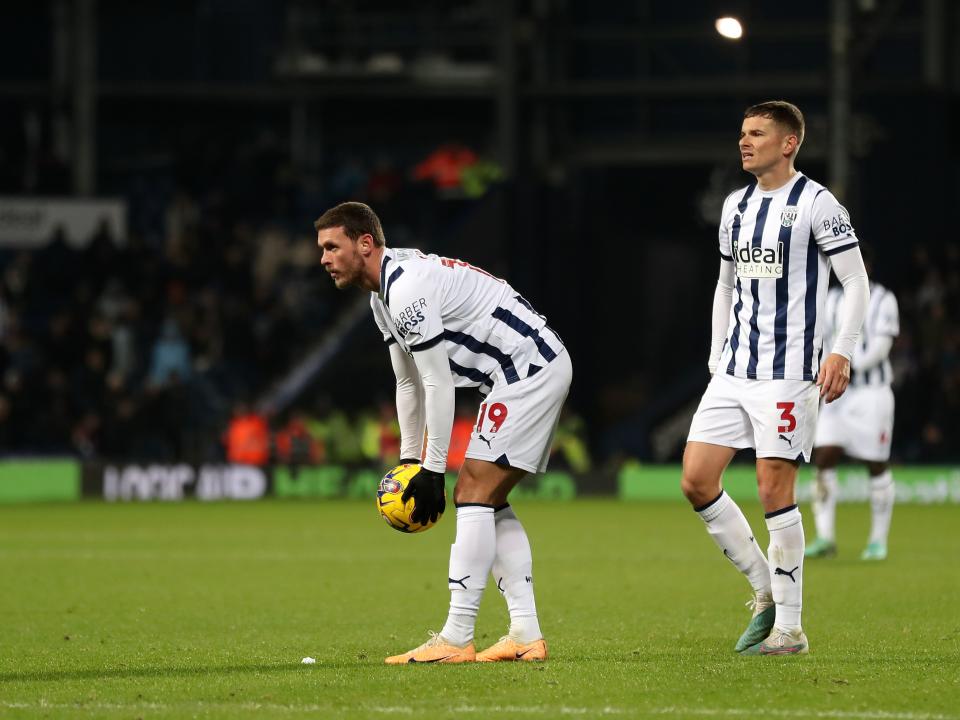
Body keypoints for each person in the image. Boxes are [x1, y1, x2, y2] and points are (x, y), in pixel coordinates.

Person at [315, 201, 571, 664]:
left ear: (365, 243)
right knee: (487, 498)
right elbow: (407, 381)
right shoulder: (382, 297)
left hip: (527, 368)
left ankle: (456, 638)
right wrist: (411, 460)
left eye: (333, 246)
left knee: (471, 488)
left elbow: (437, 380)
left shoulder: (406, 289)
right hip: (522, 369)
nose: (324, 258)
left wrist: (434, 470)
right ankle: (525, 635)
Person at [681, 101, 870, 656]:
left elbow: (855, 282)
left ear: (789, 143)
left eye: (758, 133)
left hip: (789, 375)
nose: (745, 141)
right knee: (695, 480)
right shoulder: (735, 205)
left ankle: (790, 628)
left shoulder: (818, 204)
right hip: (735, 371)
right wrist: (717, 357)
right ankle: (765, 589)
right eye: (742, 132)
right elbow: (724, 285)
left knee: (772, 489)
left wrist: (842, 351)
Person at [806, 270, 899, 561]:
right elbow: (819, 339)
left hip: (872, 393)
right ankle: (825, 536)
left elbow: (882, 347)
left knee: (875, 463)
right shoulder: (831, 299)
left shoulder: (883, 298)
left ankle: (877, 541)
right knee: (823, 455)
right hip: (837, 393)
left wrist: (847, 362)